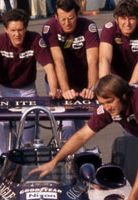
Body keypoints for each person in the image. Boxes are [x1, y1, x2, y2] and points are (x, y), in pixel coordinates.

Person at [0, 8, 59, 155]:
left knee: (30, 121)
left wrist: (53, 89)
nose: (17, 34)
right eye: (12, 30)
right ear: (5, 29)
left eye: (20, 30)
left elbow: (49, 67)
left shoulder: (35, 39)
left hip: (27, 89)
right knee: (3, 123)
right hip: (3, 89)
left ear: (26, 28)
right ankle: (4, 158)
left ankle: (28, 156)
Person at [42, 0, 99, 139]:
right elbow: (58, 60)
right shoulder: (49, 27)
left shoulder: (88, 26)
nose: (67, 23)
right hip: (61, 81)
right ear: (56, 17)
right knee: (67, 126)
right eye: (63, 19)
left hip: (83, 82)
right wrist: (65, 90)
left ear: (78, 14)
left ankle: (77, 156)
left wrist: (91, 89)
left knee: (80, 127)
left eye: (71, 18)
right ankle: (68, 156)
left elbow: (93, 60)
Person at [99, 0, 138, 84]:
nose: (127, 23)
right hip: (118, 84)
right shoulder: (109, 29)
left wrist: (131, 88)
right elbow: (105, 59)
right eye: (123, 18)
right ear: (116, 19)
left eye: (131, 19)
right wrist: (104, 87)